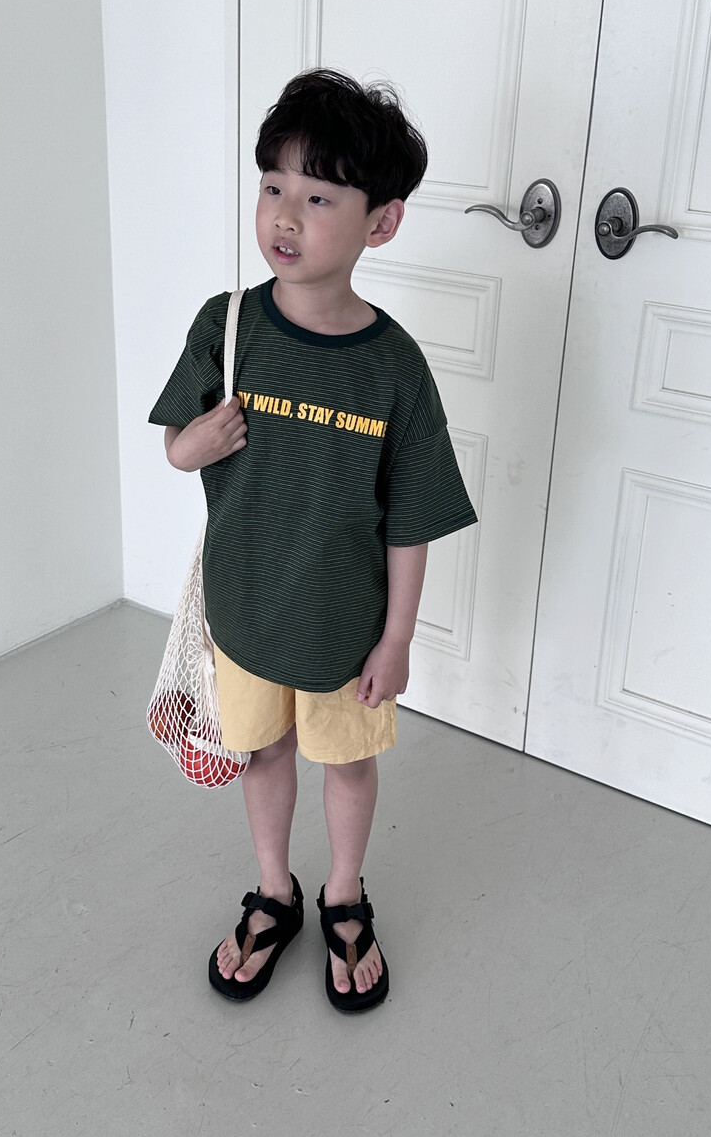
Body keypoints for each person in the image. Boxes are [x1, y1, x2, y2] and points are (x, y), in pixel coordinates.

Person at [149, 69, 478, 1013]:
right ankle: (274, 890)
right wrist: (194, 445)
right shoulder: (228, 327)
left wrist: (397, 638)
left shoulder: (395, 369)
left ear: (383, 221)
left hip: (345, 629)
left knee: (347, 762)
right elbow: (176, 447)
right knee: (262, 755)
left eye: (320, 196)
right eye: (273, 186)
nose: (285, 215)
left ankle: (342, 893)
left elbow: (412, 518)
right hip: (247, 613)